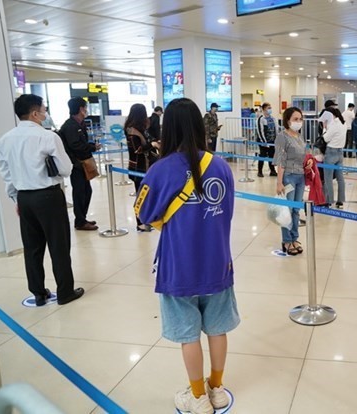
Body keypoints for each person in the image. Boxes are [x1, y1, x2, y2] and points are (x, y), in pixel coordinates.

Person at [134, 98, 239, 414]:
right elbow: (228, 212)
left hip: (179, 267)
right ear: (198, 125)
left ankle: (198, 397)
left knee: (189, 335)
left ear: (167, 130)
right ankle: (217, 389)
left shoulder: (159, 170)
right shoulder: (220, 166)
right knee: (217, 329)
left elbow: (143, 213)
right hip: (217, 262)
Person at [0, 94, 84, 306]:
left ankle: (38, 293)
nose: (45, 114)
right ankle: (65, 292)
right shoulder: (48, 137)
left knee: (32, 247)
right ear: (35, 113)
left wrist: (16, 198)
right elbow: (64, 169)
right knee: (59, 245)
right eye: (44, 110)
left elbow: (6, 173)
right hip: (48, 196)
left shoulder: (5, 139)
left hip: (24, 198)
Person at [274, 107, 312, 256]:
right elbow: (280, 160)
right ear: (287, 120)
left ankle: (294, 237)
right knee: (287, 211)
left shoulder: (299, 136)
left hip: (300, 176)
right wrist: (279, 182)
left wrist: (307, 162)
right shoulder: (282, 137)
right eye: (295, 119)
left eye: (300, 119)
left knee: (296, 210)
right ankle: (286, 240)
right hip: (288, 176)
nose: (298, 122)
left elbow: (303, 154)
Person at [59, 96, 100, 231]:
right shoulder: (70, 126)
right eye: (85, 107)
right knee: (80, 192)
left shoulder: (79, 124)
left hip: (82, 164)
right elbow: (75, 145)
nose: (86, 110)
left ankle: (82, 218)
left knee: (86, 191)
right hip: (76, 164)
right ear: (81, 109)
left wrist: (91, 145)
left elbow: (80, 143)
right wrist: (93, 147)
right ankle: (80, 221)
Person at [125, 104, 160, 232]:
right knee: (141, 196)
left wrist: (155, 142)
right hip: (138, 167)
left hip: (147, 165)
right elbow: (137, 149)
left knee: (147, 195)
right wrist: (152, 144)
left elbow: (150, 140)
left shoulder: (141, 129)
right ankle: (140, 222)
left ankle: (146, 219)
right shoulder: (132, 131)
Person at [322, 107, 346, 208]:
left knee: (328, 179)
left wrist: (324, 128)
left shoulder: (333, 125)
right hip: (340, 152)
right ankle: (340, 201)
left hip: (331, 152)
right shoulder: (342, 124)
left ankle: (328, 200)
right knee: (340, 179)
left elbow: (325, 138)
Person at [255, 102, 278, 177]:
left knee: (272, 156)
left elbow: (276, 130)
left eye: (270, 108)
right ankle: (260, 171)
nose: (270, 109)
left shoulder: (273, 118)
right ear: (264, 109)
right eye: (268, 108)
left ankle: (272, 171)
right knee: (262, 155)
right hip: (263, 142)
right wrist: (264, 142)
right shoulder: (260, 119)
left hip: (272, 141)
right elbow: (260, 131)